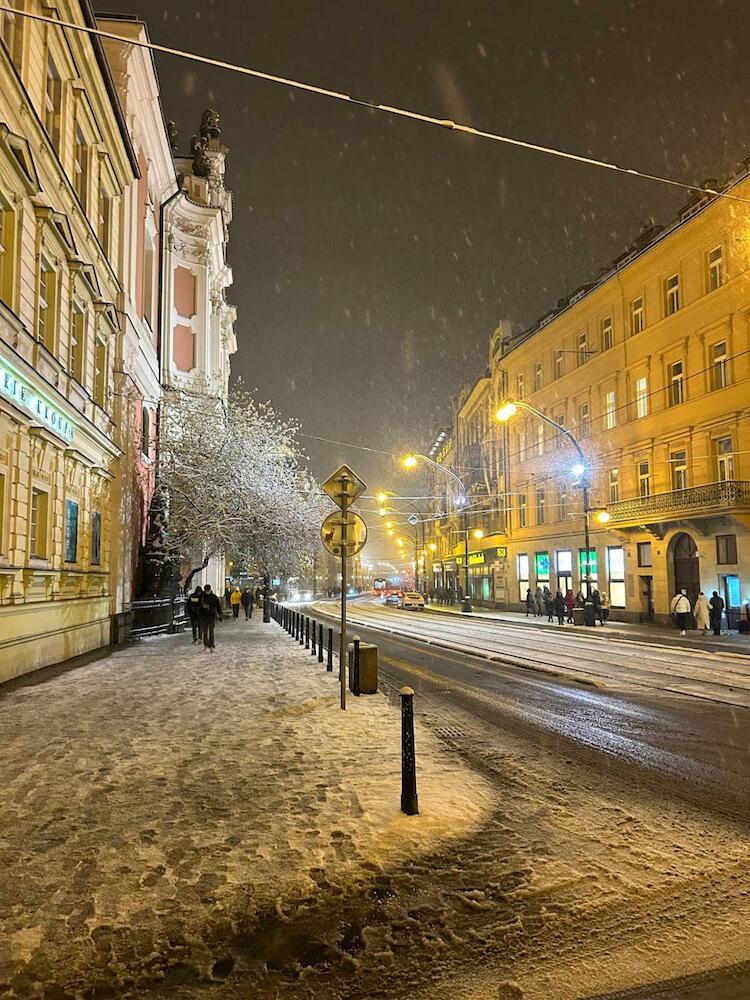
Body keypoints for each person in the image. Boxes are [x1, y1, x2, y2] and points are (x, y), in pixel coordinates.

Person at [200, 583, 223, 651]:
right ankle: (206, 644)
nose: (207, 592)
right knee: (205, 632)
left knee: (211, 631)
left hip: (211, 616)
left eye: (208, 591)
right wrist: (202, 607)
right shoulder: (202, 597)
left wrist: (220, 614)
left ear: (210, 590)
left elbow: (218, 606)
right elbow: (198, 606)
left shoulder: (214, 597)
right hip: (204, 616)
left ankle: (211, 645)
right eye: (206, 591)